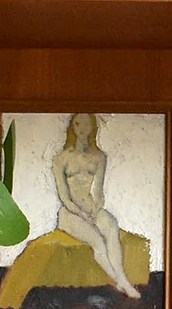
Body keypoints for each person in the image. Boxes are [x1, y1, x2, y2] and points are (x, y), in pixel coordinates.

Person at [51, 113, 141, 298]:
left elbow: (98, 191)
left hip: (91, 208)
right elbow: (64, 196)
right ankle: (121, 282)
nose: (81, 128)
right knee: (98, 242)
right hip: (69, 213)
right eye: (77, 124)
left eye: (86, 124)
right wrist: (80, 213)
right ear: (72, 127)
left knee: (111, 225)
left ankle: (122, 278)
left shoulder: (99, 157)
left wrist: (97, 208)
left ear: (92, 127)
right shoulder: (61, 158)